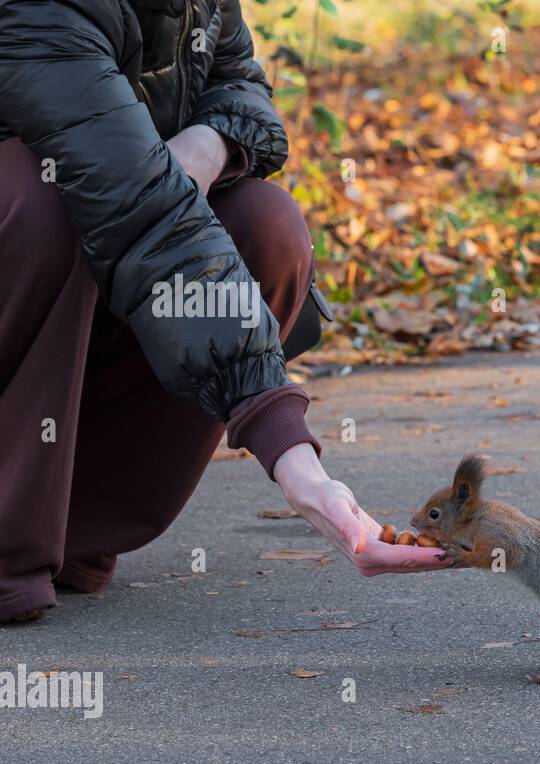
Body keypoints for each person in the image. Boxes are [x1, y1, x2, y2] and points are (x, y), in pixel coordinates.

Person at [0, 0, 451, 625]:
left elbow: (240, 81)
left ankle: (76, 520)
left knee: (266, 226)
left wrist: (211, 142)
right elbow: (147, 219)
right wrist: (293, 458)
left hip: (115, 255)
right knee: (47, 204)